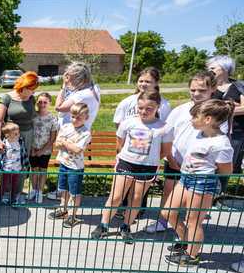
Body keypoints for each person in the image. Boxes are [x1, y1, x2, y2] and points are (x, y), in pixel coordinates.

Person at [91, 91, 173, 243]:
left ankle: (126, 226)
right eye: (141, 107)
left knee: (136, 199)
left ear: (158, 107)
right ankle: (103, 225)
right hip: (126, 162)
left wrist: (151, 160)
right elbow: (120, 143)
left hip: (147, 167)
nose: (144, 111)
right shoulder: (128, 122)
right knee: (116, 197)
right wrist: (127, 157)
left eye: (149, 108)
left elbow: (165, 150)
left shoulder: (164, 127)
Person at [147, 72, 224, 233]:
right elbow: (167, 133)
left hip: (200, 169)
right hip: (175, 162)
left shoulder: (217, 113)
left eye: (201, 90)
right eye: (193, 90)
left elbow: (220, 143)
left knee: (193, 203)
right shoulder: (180, 110)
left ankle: (190, 232)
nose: (196, 94)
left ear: (213, 89)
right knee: (168, 194)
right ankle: (162, 222)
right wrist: (168, 156)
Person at [164, 100, 234, 266]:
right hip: (185, 178)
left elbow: (226, 170)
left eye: (195, 116)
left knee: (193, 220)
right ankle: (186, 240)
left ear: (208, 119)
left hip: (203, 183)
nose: (192, 120)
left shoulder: (221, 144)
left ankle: (191, 256)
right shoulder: (199, 134)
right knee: (168, 212)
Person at [112, 67, 171, 223]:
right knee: (123, 183)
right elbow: (119, 125)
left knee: (140, 188)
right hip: (128, 148)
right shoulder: (127, 101)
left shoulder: (164, 104)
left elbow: (164, 129)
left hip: (149, 153)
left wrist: (155, 157)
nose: (144, 84)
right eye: (141, 80)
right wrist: (121, 147)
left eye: (148, 81)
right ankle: (121, 208)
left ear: (156, 83)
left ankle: (137, 211)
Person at [0, 71, 39, 200]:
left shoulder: (31, 98)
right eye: (32, 89)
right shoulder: (7, 98)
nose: (33, 92)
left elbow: (33, 118)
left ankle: (17, 194)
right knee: (8, 164)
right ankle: (3, 193)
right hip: (11, 137)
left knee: (22, 165)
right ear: (24, 87)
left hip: (27, 135)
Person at [50, 103, 91, 228]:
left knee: (75, 192)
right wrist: (67, 144)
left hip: (75, 167)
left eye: (78, 117)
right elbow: (57, 144)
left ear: (86, 118)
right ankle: (64, 209)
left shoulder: (86, 133)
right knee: (64, 189)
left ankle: (73, 216)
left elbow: (77, 150)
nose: (75, 120)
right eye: (73, 116)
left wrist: (65, 142)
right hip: (64, 163)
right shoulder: (66, 127)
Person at [208, 55, 244, 178]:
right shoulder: (208, 87)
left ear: (224, 69)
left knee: (229, 164)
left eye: (213, 67)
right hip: (212, 131)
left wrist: (219, 109)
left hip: (235, 132)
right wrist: (231, 106)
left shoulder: (238, 86)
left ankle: (223, 192)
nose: (210, 70)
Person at [29, 92, 58, 203]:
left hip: (45, 150)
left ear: (49, 103)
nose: (42, 104)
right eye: (40, 102)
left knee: (42, 170)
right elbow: (30, 132)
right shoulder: (33, 116)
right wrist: (32, 149)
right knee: (34, 170)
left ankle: (40, 191)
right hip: (33, 149)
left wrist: (42, 151)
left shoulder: (52, 119)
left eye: (45, 102)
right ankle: (34, 189)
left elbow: (52, 138)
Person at [55, 62, 100, 130]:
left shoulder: (82, 95)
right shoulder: (93, 88)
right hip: (75, 132)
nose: (69, 80)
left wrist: (63, 86)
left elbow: (58, 107)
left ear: (78, 78)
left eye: (70, 77)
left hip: (73, 135)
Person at [0, 122, 29, 205]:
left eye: (18, 132)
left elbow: (24, 154)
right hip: (6, 169)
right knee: (3, 184)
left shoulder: (20, 142)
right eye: (16, 133)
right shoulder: (4, 143)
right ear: (8, 135)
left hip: (17, 168)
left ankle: (12, 200)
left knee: (15, 185)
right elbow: (0, 156)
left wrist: (25, 165)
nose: (19, 134)